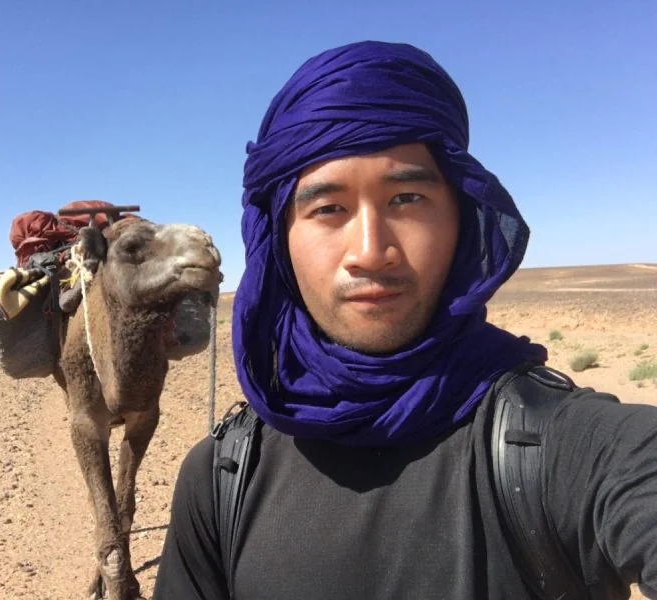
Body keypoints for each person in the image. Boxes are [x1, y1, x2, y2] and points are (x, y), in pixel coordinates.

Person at [152, 41, 657, 599]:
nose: (370, 251)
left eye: (407, 198)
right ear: (278, 241)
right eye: (328, 209)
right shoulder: (221, 476)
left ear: (462, 221)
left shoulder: (569, 449)